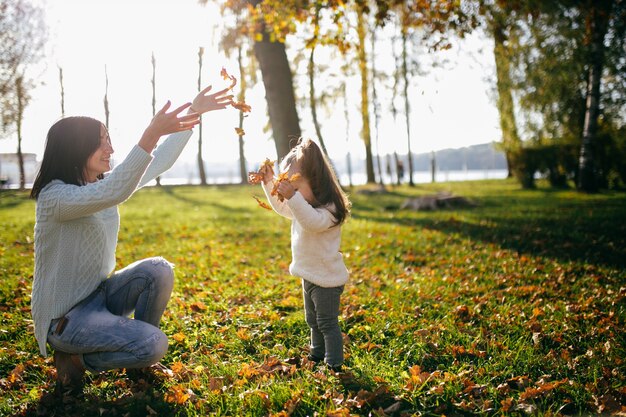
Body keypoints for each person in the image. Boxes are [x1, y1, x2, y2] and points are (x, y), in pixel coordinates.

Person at [29, 85, 233, 396]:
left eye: (108, 140)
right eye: (100, 143)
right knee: (154, 343)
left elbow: (156, 163)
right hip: (67, 320)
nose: (109, 149)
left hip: (98, 297)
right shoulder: (55, 197)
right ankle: (75, 359)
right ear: (75, 148)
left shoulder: (99, 185)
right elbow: (115, 191)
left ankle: (138, 362)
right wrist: (149, 134)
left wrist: (195, 111)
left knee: (158, 269)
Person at [258, 138, 351, 372]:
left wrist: (293, 197)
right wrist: (269, 182)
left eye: (296, 187)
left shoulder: (329, 211)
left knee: (327, 323)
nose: (292, 193)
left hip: (327, 280)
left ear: (316, 180)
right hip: (309, 275)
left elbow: (311, 223)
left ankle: (334, 363)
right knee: (312, 320)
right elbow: (282, 208)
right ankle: (317, 353)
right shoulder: (301, 206)